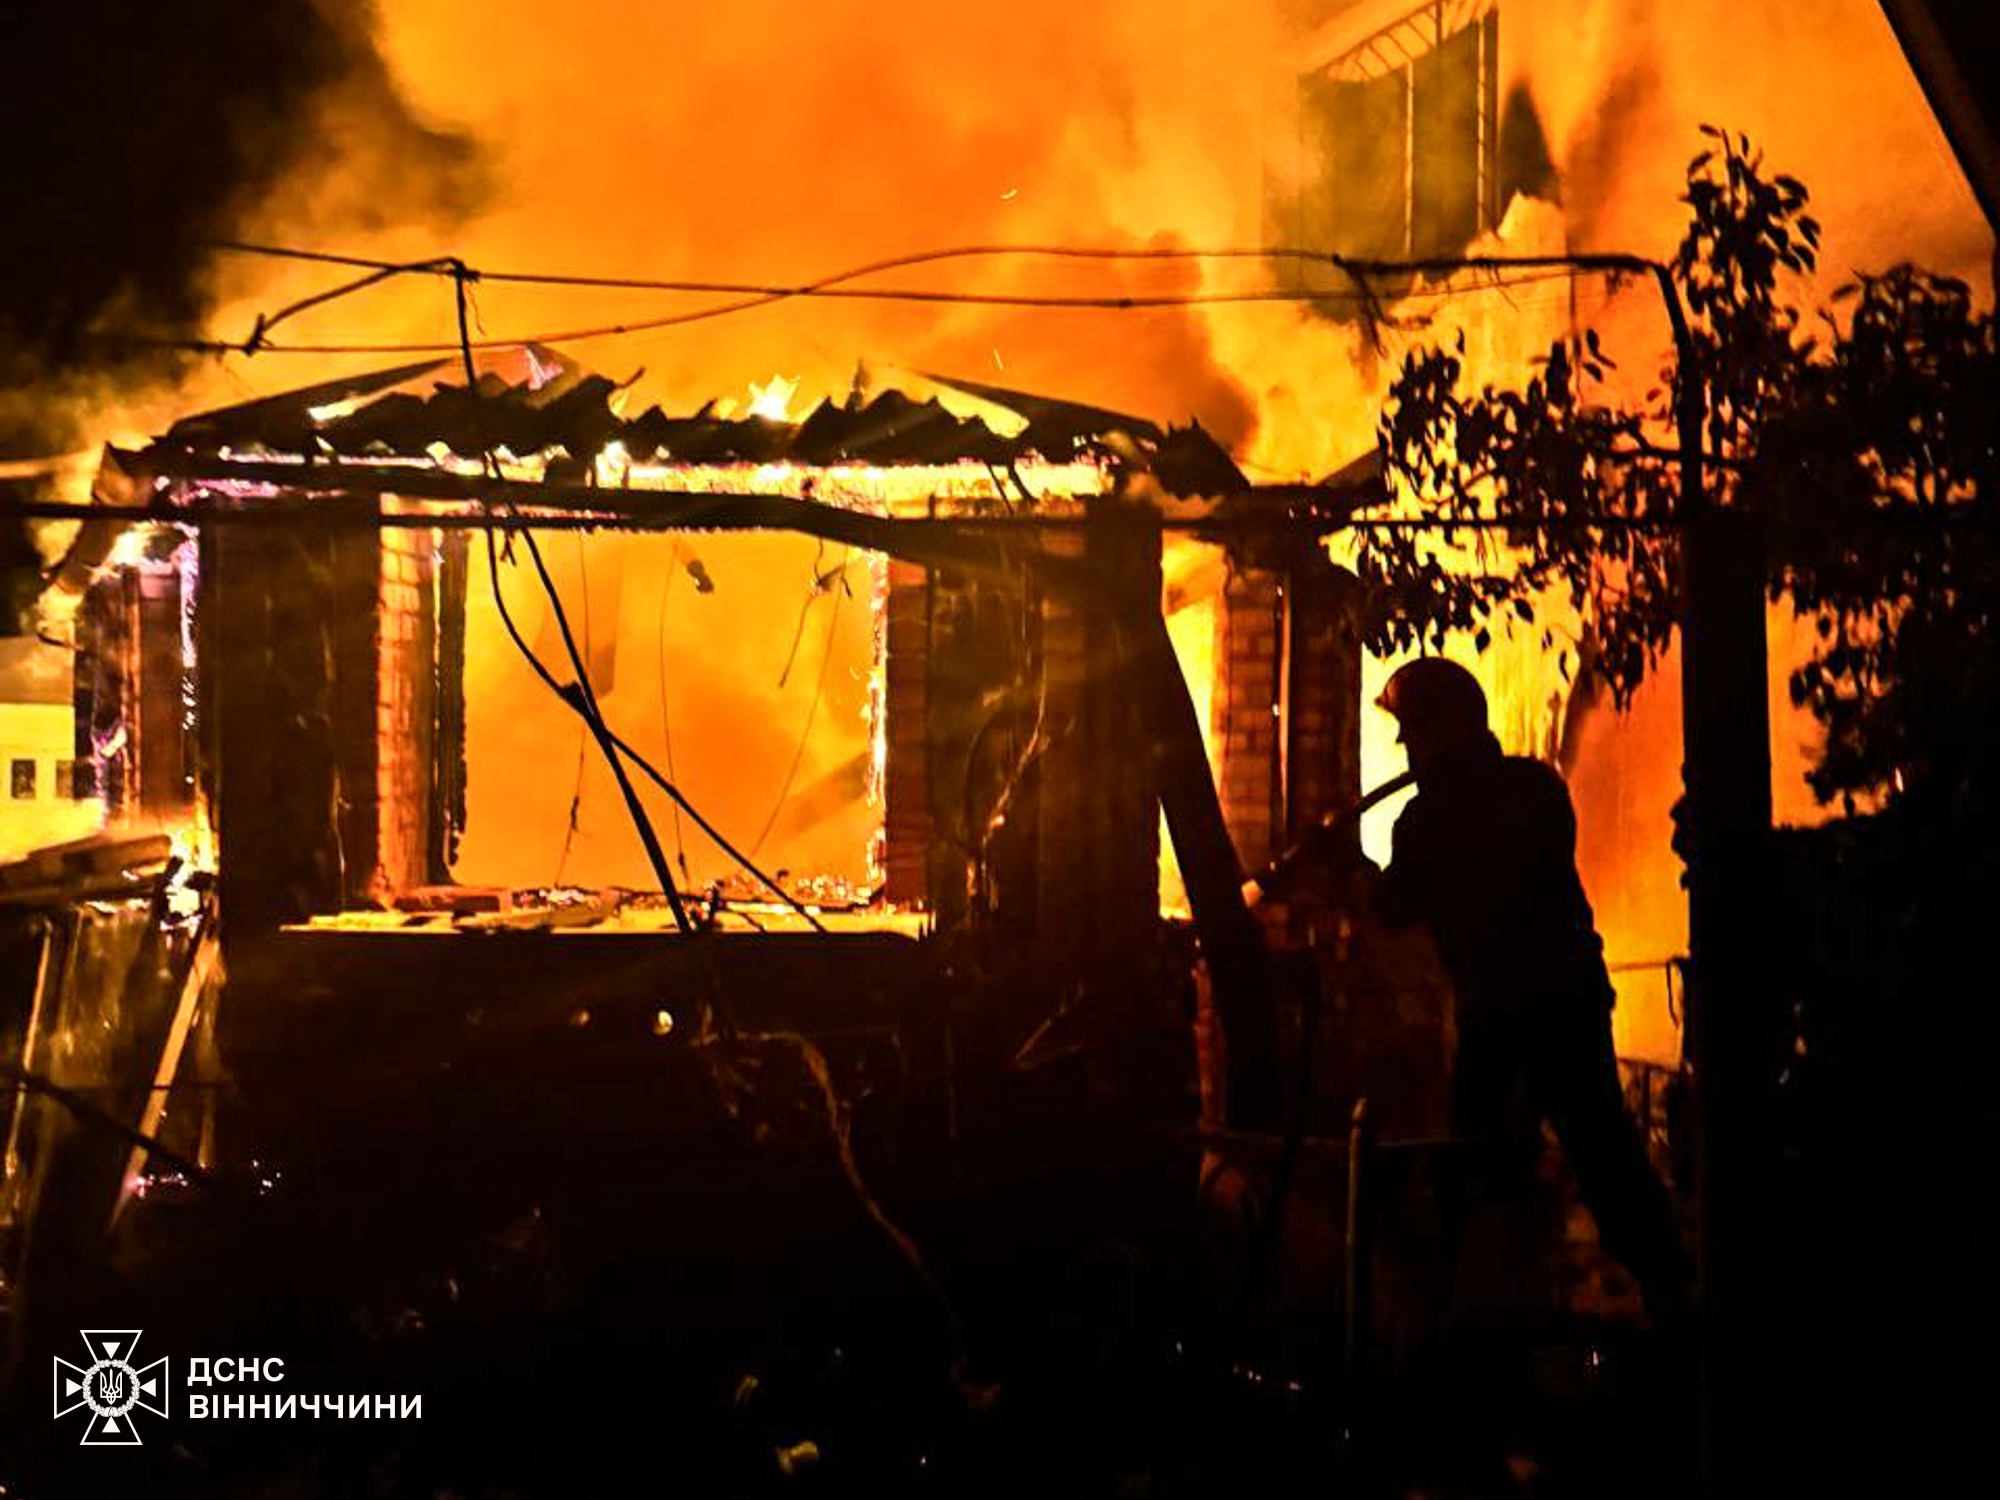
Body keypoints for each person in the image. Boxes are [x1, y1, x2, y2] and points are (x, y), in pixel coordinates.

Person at [1366, 657, 1694, 1324]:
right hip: (1561, 1002)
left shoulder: (1431, 821)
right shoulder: (1533, 788)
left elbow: (1396, 906)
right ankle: (1663, 1288)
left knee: (1485, 1165)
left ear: (1435, 731)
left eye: (1410, 731)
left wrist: (1353, 865)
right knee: (1594, 1151)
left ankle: (1489, 1315)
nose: (1404, 747)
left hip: (1513, 1013)